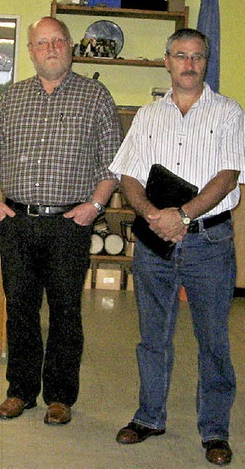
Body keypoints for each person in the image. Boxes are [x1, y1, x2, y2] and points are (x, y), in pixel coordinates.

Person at [110, 28, 244, 466]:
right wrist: (153, 215)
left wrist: (182, 215)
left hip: (209, 240)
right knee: (152, 338)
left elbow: (227, 175)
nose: (189, 64)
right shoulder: (148, 116)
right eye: (181, 56)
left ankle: (215, 429)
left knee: (213, 340)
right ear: (166, 61)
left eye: (198, 57)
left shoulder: (228, 113)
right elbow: (127, 174)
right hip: (155, 242)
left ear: (206, 62)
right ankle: (149, 417)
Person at [0, 16, 121, 425]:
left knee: (64, 310)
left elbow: (113, 161)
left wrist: (94, 206)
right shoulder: (13, 97)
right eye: (42, 43)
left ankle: (60, 396)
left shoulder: (95, 97)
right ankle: (20, 391)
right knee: (20, 309)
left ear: (71, 47)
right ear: (31, 52)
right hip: (17, 222)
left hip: (68, 225)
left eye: (58, 41)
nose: (51, 48)